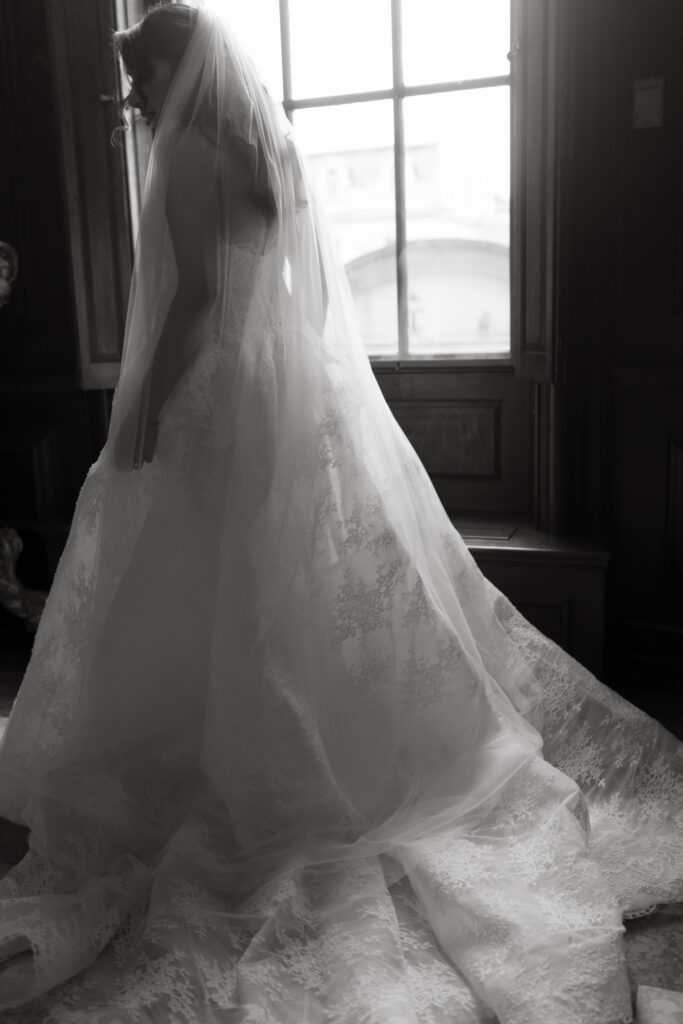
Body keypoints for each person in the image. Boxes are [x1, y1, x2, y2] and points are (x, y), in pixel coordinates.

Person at [0, 4, 680, 1021]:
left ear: (179, 71)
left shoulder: (186, 153)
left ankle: (227, 762)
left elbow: (192, 303)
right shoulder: (270, 149)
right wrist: (287, 382)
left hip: (212, 392)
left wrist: (141, 408)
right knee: (282, 584)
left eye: (143, 78)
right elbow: (302, 292)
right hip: (284, 385)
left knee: (204, 578)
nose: (136, 99)